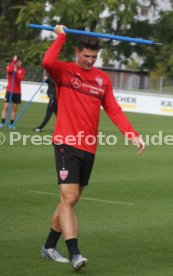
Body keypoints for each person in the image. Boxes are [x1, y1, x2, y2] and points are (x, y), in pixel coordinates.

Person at [41, 25, 145, 271]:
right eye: (85, 56)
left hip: (89, 147)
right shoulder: (64, 71)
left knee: (71, 199)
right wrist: (61, 37)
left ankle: (48, 246)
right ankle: (75, 254)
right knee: (68, 197)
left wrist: (132, 134)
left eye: (93, 57)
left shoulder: (102, 79)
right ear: (77, 52)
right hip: (66, 142)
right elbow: (47, 61)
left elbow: (114, 109)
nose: (89, 60)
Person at [0, 55, 25, 129]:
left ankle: (11, 124)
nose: (20, 63)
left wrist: (16, 72)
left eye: (21, 62)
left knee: (14, 108)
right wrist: (13, 62)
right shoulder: (10, 66)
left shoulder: (22, 70)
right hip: (9, 91)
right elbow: (9, 70)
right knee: (6, 107)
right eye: (19, 62)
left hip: (17, 92)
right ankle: (2, 123)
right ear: (16, 62)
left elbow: (20, 79)